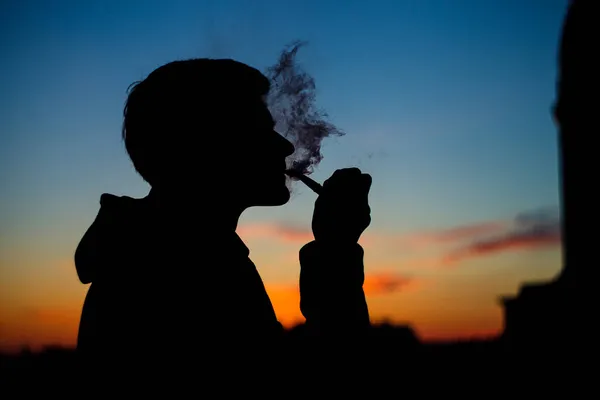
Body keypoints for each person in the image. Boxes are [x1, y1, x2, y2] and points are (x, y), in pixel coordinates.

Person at [74, 59, 372, 372]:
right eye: (260, 130)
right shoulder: (185, 273)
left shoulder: (179, 253)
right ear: (208, 145)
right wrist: (336, 251)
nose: (284, 145)